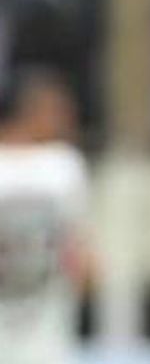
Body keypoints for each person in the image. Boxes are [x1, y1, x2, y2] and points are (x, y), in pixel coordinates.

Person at [0, 69, 92, 364]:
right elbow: (86, 265)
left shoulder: (63, 167)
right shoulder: (63, 169)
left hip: (44, 331)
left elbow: (81, 261)